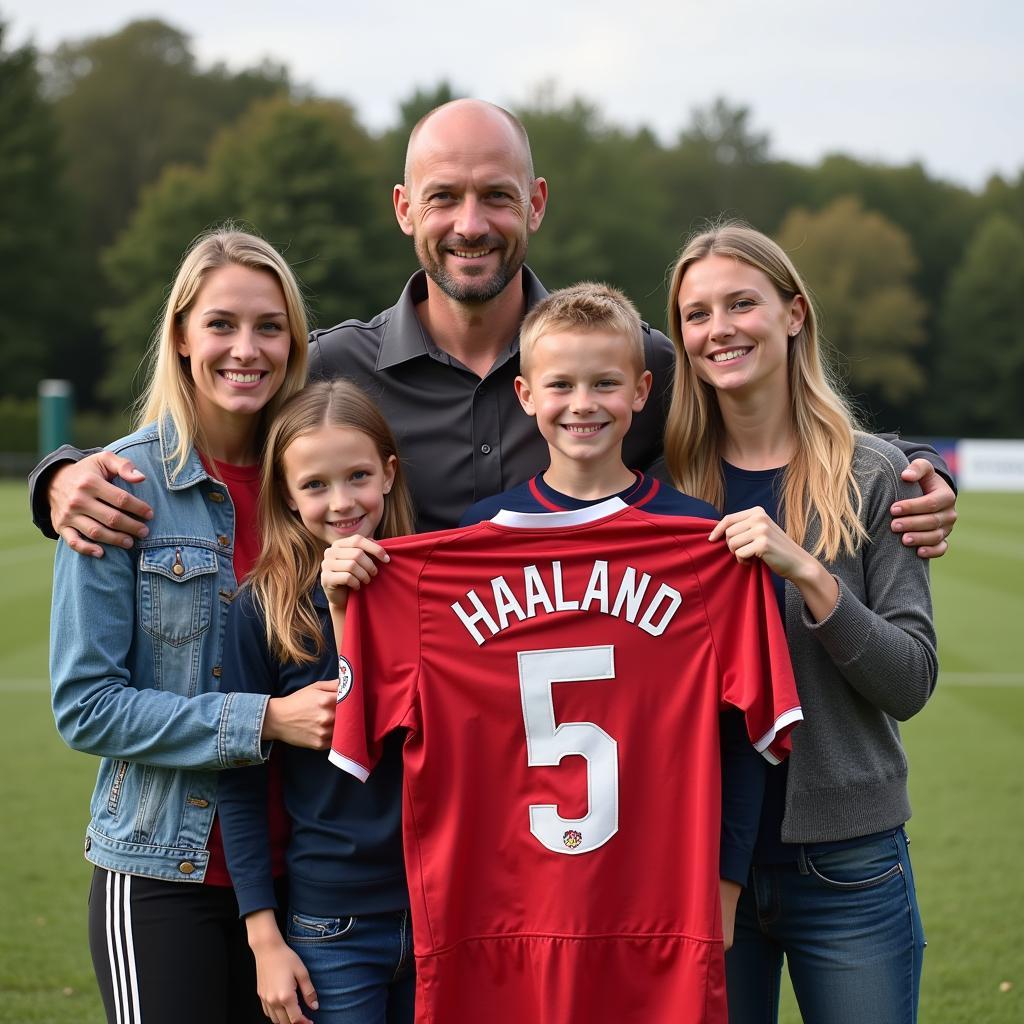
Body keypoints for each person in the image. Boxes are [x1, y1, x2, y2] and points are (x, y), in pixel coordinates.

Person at [30, 99, 957, 549]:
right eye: (445, 198)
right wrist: (59, 476)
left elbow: (770, 414)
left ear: (537, 203)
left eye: (495, 197)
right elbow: (209, 430)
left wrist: (908, 469)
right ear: (404, 208)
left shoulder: (626, 361)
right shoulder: (334, 370)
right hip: (398, 771)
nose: (470, 224)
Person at [327, 283, 803, 1024]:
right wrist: (348, 599)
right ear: (526, 396)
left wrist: (725, 880)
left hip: (654, 906)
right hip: (504, 911)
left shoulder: (703, 543)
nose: (583, 403)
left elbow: (749, 741)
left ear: (643, 392)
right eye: (562, 385)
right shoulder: (466, 545)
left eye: (605, 383)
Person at [49, 228, 341, 1024]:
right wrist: (266, 720)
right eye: (221, 324)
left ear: (294, 341)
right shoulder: (121, 486)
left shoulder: (317, 482)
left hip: (311, 875)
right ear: (181, 335)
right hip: (164, 876)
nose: (246, 348)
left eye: (269, 326)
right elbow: (86, 704)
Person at [663, 222, 938, 1024]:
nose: (720, 330)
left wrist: (811, 575)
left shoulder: (876, 475)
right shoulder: (662, 482)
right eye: (697, 314)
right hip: (700, 865)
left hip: (850, 866)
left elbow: (910, 681)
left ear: (794, 314)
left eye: (742, 303)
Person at [217, 380, 416, 1024]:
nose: (341, 502)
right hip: (332, 918)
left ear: (388, 473)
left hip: (443, 902)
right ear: (285, 494)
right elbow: (239, 783)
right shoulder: (262, 608)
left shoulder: (436, 585)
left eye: (357, 475)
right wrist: (264, 938)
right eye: (315, 485)